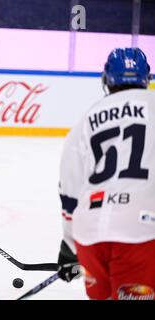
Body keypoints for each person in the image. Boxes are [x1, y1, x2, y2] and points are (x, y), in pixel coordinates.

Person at [57, 48, 155, 300]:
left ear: (107, 80)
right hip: (141, 231)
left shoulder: (87, 118)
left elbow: (69, 186)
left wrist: (69, 246)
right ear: (147, 78)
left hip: (89, 232)